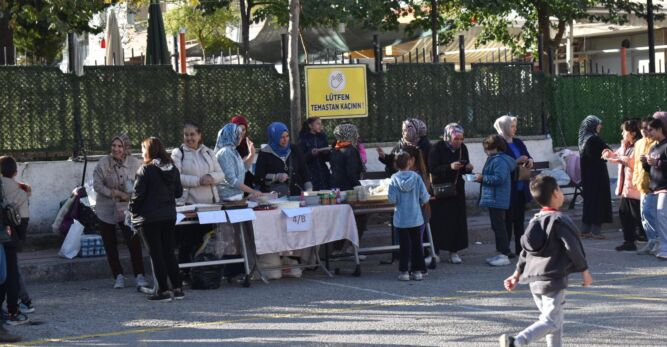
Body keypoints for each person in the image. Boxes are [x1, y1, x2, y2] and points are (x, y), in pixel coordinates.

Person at [499, 175, 592, 347]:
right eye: (560, 189)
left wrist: (516, 274)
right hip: (553, 280)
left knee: (554, 322)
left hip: (534, 282)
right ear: (556, 193)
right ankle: (517, 341)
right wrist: (584, 271)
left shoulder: (534, 221)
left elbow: (525, 252)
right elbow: (573, 248)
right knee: (552, 322)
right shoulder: (560, 220)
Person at [130, 137, 184, 302]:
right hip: (169, 215)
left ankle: (163, 291)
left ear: (148, 151)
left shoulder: (145, 169)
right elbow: (179, 193)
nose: (141, 152)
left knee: (156, 254)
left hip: (150, 218)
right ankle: (178, 288)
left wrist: (131, 210)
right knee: (169, 253)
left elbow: (137, 195)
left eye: (142, 149)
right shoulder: (172, 168)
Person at [92, 135, 147, 289]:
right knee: (110, 244)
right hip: (106, 209)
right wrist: (115, 193)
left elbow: (142, 183)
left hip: (127, 209)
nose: (116, 149)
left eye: (120, 146)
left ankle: (140, 275)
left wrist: (133, 195)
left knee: (133, 241)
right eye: (114, 145)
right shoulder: (104, 163)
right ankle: (118, 276)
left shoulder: (135, 163)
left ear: (126, 148)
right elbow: (97, 185)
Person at [171, 123, 224, 279]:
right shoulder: (178, 153)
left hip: (209, 206)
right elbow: (175, 177)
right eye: (186, 135)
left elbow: (220, 173)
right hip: (188, 206)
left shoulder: (208, 152)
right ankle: (185, 273)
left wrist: (212, 178)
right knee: (187, 241)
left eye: (192, 134)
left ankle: (205, 273)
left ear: (199, 135)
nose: (189, 138)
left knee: (206, 240)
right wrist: (198, 180)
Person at [428, 123, 473, 264]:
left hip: (456, 190)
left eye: (461, 139)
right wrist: (449, 167)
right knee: (438, 222)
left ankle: (454, 252)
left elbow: (464, 166)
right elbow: (432, 168)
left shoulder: (462, 148)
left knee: (456, 221)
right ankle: (436, 252)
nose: (459, 142)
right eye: (456, 139)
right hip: (440, 190)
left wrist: (468, 168)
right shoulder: (436, 148)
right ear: (448, 136)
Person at [388, 151, 430, 281]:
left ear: (396, 164)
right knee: (417, 245)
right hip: (415, 217)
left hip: (401, 218)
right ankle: (417, 271)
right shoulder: (416, 177)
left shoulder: (394, 178)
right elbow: (425, 196)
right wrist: (422, 202)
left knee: (404, 246)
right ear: (409, 162)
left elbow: (392, 199)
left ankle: (404, 271)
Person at [495, 115, 534, 255]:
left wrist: (529, 160)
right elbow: (498, 163)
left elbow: (528, 155)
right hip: (507, 188)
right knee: (507, 221)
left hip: (520, 187)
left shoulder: (518, 142)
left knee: (519, 220)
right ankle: (505, 251)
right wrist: (516, 160)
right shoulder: (498, 143)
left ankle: (521, 248)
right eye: (512, 126)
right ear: (504, 127)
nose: (514, 129)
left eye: (514, 126)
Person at [0, 156, 34, 313]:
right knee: (12, 271)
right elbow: (24, 219)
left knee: (7, 272)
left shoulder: (3, 187)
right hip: (14, 234)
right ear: (15, 172)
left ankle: (16, 306)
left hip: (3, 232)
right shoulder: (22, 191)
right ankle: (19, 305)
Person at [476, 135, 516, 267]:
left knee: (499, 227)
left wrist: (483, 178)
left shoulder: (499, 161)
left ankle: (504, 254)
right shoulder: (495, 159)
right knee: (497, 226)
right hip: (495, 198)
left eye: (488, 148)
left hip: (497, 198)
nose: (486, 151)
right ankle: (501, 252)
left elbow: (499, 178)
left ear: (495, 148)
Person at [604, 120, 643, 251]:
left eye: (624, 131)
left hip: (636, 187)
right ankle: (629, 241)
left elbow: (633, 162)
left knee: (638, 216)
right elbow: (617, 154)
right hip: (626, 188)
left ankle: (644, 239)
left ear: (632, 132)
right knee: (624, 213)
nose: (622, 133)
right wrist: (608, 154)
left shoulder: (639, 145)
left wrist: (619, 159)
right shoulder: (626, 145)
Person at [578, 115, 613, 239]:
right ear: (592, 125)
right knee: (599, 201)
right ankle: (596, 231)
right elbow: (609, 151)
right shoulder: (594, 139)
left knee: (589, 202)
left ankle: (585, 230)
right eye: (598, 124)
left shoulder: (583, 140)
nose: (600, 126)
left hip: (587, 177)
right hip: (598, 176)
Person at [255, 122, 312, 196]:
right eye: (282, 137)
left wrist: (309, 190)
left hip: (296, 195)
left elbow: (304, 171)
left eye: (287, 136)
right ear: (274, 137)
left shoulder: (294, 149)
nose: (285, 140)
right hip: (274, 197)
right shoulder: (265, 152)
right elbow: (259, 178)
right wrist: (276, 177)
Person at [215, 123, 262, 199]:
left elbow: (243, 170)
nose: (240, 137)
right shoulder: (225, 152)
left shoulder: (233, 151)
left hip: (236, 197)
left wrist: (252, 153)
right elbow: (232, 180)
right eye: (238, 134)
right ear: (232, 135)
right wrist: (253, 191)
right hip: (227, 198)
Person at [642, 118, 667, 260]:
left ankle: (665, 248)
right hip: (654, 187)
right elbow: (651, 170)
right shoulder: (652, 148)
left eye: (650, 129)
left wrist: (657, 162)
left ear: (659, 129)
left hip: (664, 187)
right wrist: (645, 163)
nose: (647, 132)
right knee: (649, 214)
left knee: (662, 216)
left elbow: (660, 164)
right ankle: (659, 244)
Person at [634, 117, 660, 255]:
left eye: (647, 129)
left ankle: (657, 242)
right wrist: (635, 180)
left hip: (651, 185)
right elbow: (637, 165)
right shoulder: (638, 143)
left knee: (651, 214)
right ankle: (651, 241)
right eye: (642, 128)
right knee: (644, 215)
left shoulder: (656, 144)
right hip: (641, 185)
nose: (644, 131)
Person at [298, 117, 331, 191]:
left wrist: (326, 153)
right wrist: (311, 154)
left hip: (324, 174)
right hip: (310, 174)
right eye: (317, 124)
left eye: (321, 124)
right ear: (310, 125)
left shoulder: (323, 137)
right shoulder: (303, 139)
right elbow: (301, 159)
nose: (320, 126)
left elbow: (327, 158)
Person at [329, 124, 363, 191]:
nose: (357, 136)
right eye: (355, 133)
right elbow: (351, 173)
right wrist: (358, 186)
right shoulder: (351, 151)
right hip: (348, 189)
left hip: (335, 188)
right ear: (349, 134)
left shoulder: (335, 149)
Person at [230, 115, 256, 189]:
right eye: (239, 129)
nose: (241, 132)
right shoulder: (227, 145)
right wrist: (247, 157)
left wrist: (251, 154)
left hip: (244, 177)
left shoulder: (245, 143)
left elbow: (245, 168)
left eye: (243, 130)